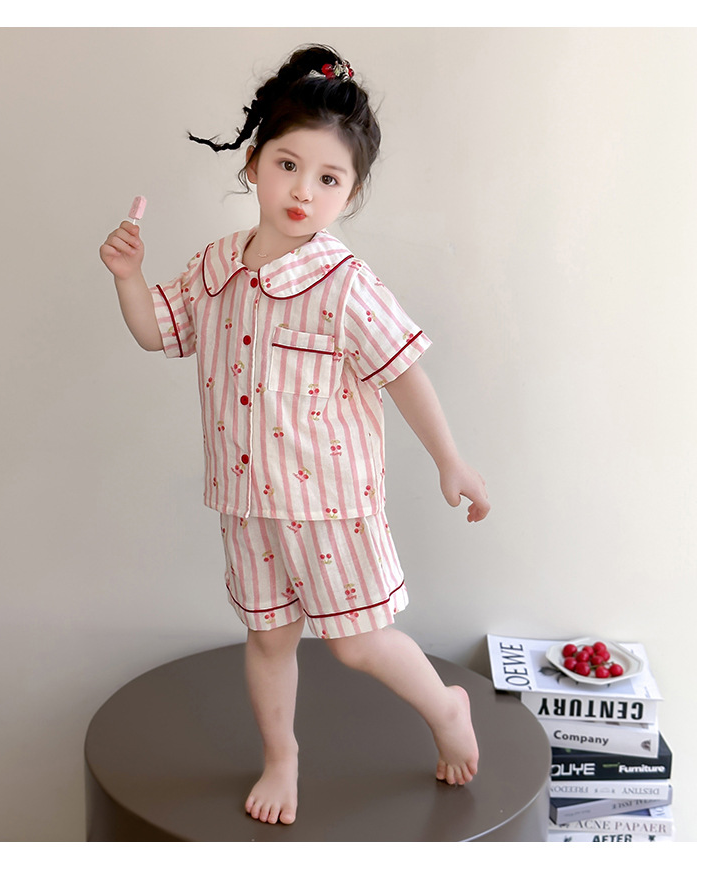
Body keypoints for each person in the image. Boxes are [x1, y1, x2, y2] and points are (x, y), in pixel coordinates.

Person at [100, 45, 490, 827]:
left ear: (351, 192)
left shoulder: (345, 284)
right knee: (269, 637)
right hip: (247, 502)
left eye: (329, 178)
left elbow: (403, 371)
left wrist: (450, 460)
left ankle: (447, 707)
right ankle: (282, 756)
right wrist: (128, 278)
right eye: (288, 166)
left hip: (332, 505)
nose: (304, 191)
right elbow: (157, 332)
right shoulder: (216, 267)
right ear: (254, 164)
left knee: (358, 642)